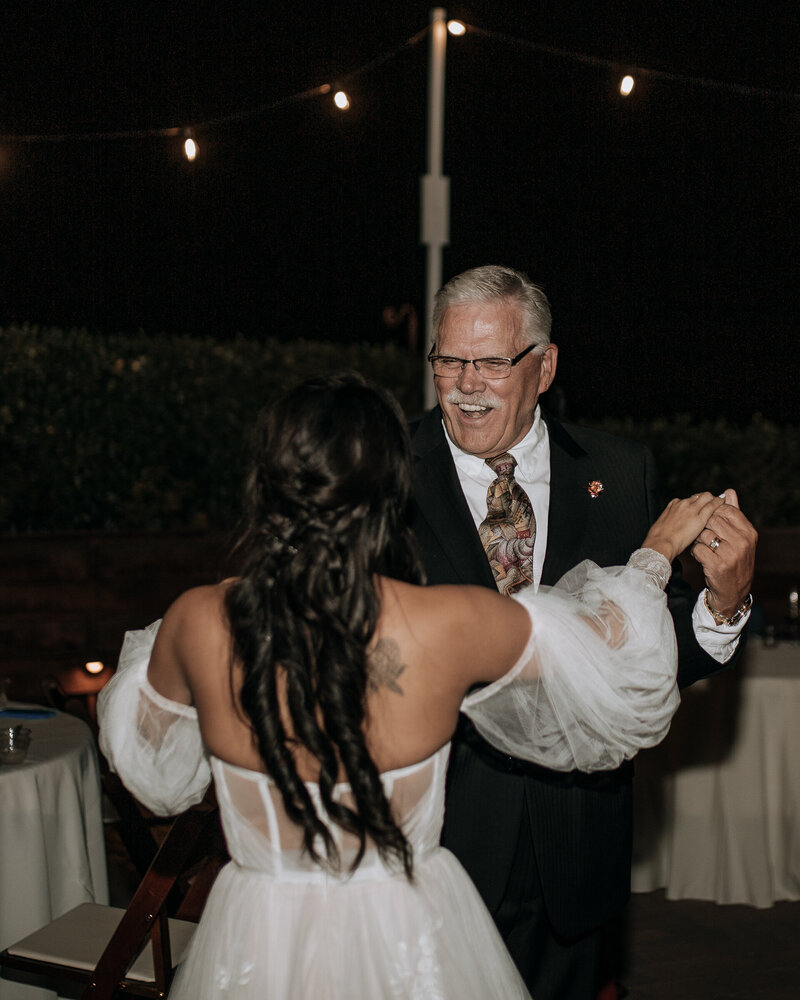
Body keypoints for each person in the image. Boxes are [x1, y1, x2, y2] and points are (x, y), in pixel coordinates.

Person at [98, 373, 725, 1000]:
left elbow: (151, 772)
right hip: (408, 936)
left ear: (267, 485)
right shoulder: (449, 624)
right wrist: (654, 554)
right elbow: (605, 641)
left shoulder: (197, 622)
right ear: (395, 492)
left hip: (257, 933)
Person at [410, 265, 758, 999]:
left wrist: (722, 607)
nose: (465, 385)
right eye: (449, 359)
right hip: (436, 840)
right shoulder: (385, 472)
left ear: (545, 364)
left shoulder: (617, 470)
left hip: (574, 842)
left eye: (492, 363)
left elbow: (645, 650)